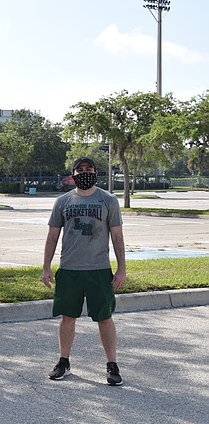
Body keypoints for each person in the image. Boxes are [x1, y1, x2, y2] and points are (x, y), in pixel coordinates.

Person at [42, 157, 126, 386]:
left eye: (88, 169)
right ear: (74, 174)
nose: (84, 172)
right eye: (80, 170)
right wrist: (46, 266)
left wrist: (121, 269)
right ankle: (63, 362)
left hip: (99, 269)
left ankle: (112, 365)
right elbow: (53, 235)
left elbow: (117, 236)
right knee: (68, 317)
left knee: (105, 318)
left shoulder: (108, 200)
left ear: (95, 172)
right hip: (69, 269)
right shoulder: (62, 201)